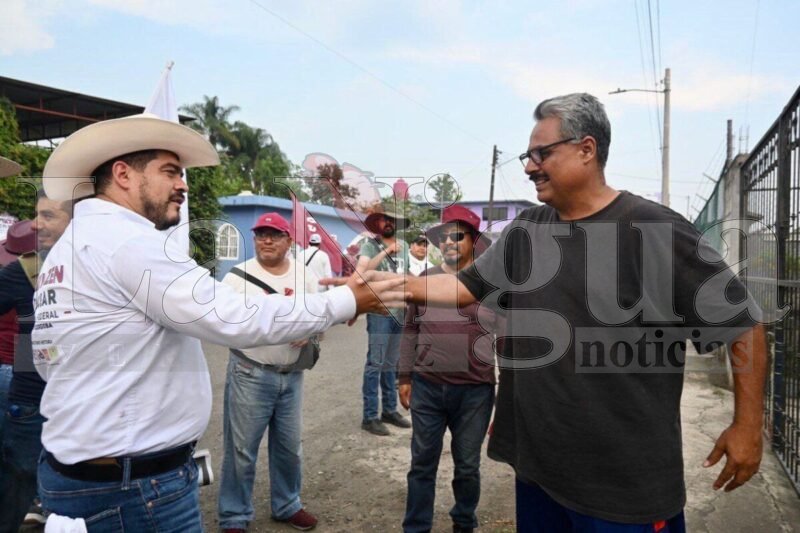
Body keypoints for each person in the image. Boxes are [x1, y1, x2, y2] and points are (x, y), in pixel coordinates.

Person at [400, 93, 765, 532]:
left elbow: (741, 324)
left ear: (586, 149)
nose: (529, 166)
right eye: (527, 155)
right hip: (539, 473)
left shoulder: (655, 229)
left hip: (624, 489)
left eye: (541, 153)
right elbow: (463, 288)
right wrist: (382, 287)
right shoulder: (528, 230)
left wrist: (748, 425)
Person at [31, 113, 407, 530]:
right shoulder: (129, 243)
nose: (183, 185)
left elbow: (48, 360)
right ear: (122, 174)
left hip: (91, 474)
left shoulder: (70, 249)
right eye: (170, 172)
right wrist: (347, 300)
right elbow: (233, 317)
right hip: (133, 488)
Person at [398, 205, 501, 533]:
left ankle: (463, 523)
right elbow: (410, 329)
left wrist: (508, 396)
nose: (449, 242)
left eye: (457, 236)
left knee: (468, 467)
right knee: (422, 464)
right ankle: (416, 527)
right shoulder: (424, 281)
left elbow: (509, 341)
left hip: (475, 392)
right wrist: (404, 376)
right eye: (443, 236)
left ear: (473, 240)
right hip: (427, 388)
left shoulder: (490, 285)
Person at [218, 212, 319, 532]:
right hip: (250, 372)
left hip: (292, 375)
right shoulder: (236, 277)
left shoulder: (306, 277)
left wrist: (312, 333)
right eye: (261, 234)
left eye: (275, 234)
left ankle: (288, 504)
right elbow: (222, 322)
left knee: (290, 448)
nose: (267, 240)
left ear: (289, 241)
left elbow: (321, 317)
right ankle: (234, 515)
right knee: (241, 451)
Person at [0, 192, 72, 532]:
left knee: (69, 486)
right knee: (21, 479)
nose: (37, 224)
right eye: (35, 215)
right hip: (30, 397)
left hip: (80, 397)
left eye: (48, 216)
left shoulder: (97, 267)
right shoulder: (23, 270)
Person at [356, 206, 413, 436]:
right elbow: (362, 273)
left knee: (391, 364)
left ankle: (389, 410)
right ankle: (370, 416)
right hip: (379, 312)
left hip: (400, 311)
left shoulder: (406, 247)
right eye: (385, 220)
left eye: (392, 220)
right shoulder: (370, 245)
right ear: (378, 224)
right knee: (375, 364)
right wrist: (385, 252)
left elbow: (406, 276)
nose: (388, 223)